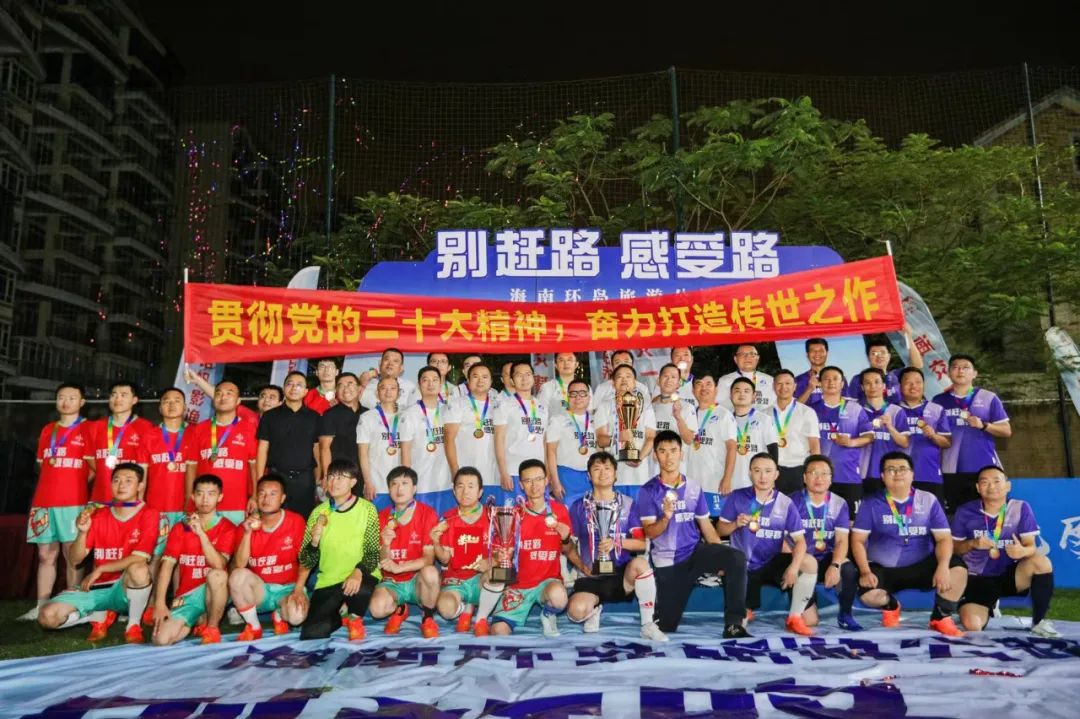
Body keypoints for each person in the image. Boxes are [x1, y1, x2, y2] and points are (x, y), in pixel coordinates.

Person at [637, 430, 750, 637]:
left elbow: (707, 527)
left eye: (673, 451)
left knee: (735, 558)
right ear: (655, 455)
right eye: (663, 451)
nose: (669, 457)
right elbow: (650, 533)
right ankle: (661, 613)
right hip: (668, 562)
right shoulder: (648, 491)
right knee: (666, 626)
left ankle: (734, 624)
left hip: (694, 552)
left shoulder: (694, 487)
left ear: (681, 454)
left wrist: (721, 559)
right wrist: (666, 517)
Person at [37, 463, 159, 644]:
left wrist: (101, 569)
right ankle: (96, 616)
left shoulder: (149, 514)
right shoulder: (98, 515)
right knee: (47, 616)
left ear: (140, 486)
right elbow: (75, 559)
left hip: (124, 588)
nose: (121, 485)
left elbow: (140, 557)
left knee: (138, 569)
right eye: (116, 480)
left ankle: (133, 625)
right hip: (98, 587)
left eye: (128, 480)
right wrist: (82, 532)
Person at [851, 452, 967, 637]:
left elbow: (944, 539)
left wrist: (943, 566)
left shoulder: (928, 500)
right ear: (882, 476)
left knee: (957, 569)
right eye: (891, 469)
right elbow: (858, 540)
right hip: (884, 568)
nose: (897, 473)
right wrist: (865, 571)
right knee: (869, 596)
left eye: (903, 469)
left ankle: (940, 617)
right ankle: (891, 606)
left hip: (921, 564)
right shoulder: (871, 503)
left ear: (912, 474)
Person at [564, 452, 668, 641]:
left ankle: (647, 624)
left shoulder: (628, 505)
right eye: (597, 469)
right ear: (588, 476)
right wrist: (582, 567)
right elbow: (569, 547)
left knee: (641, 565)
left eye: (607, 468)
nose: (602, 473)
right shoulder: (578, 507)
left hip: (621, 575)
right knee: (575, 612)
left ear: (615, 474)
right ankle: (593, 610)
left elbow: (641, 544)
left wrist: (616, 543)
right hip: (590, 575)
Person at [952, 465, 1059, 638]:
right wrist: (972, 543)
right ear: (978, 488)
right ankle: (988, 606)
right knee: (972, 625)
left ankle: (1039, 621)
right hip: (976, 579)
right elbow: (953, 548)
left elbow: (1031, 546)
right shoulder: (965, 511)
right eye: (985, 482)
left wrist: (1022, 551)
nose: (991, 486)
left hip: (1010, 575)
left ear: (1008, 486)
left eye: (997, 481)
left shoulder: (1020, 508)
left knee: (1041, 562)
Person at [717, 453, 817, 636]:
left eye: (768, 471)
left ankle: (794, 618)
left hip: (771, 562)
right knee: (737, 627)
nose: (763, 476)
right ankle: (744, 609)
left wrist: (794, 568)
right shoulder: (737, 497)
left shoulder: (785, 503)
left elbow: (800, 542)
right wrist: (735, 524)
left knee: (809, 564)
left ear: (776, 474)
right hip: (743, 566)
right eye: (757, 471)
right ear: (750, 473)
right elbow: (720, 530)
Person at [22, 382, 91, 621]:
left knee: (73, 556)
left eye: (72, 397)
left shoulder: (89, 429)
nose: (66, 401)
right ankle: (41, 605)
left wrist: (75, 486)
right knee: (45, 555)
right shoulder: (48, 429)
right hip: (43, 502)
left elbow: (93, 469)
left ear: (82, 402)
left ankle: (73, 605)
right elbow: (43, 466)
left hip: (73, 503)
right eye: (61, 397)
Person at [482, 459, 572, 637]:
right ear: (521, 485)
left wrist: (566, 537)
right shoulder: (513, 515)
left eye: (538, 479)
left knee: (559, 597)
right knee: (498, 632)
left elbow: (568, 549)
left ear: (546, 481)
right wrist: (501, 555)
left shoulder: (560, 511)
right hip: (518, 586)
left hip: (547, 582)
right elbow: (499, 552)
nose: (534, 485)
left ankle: (548, 615)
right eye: (528, 481)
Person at [297, 460, 382, 640]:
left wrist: (358, 572)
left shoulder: (368, 509)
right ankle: (340, 616)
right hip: (330, 578)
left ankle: (355, 618)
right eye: (331, 477)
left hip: (360, 573)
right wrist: (314, 543)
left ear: (353, 482)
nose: (334, 482)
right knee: (311, 633)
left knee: (361, 588)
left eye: (341, 477)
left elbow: (373, 553)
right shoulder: (318, 513)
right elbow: (305, 561)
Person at [152, 474, 237, 646]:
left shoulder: (227, 527)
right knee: (160, 639)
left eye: (211, 494)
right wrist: (160, 603)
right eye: (200, 494)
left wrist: (201, 534)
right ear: (192, 496)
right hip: (188, 595)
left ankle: (212, 627)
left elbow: (219, 564)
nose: (205, 499)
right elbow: (167, 565)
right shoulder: (180, 527)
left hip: (214, 590)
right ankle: (198, 619)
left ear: (220, 497)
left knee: (217, 575)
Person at [228, 474, 310, 640]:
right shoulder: (245, 526)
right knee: (237, 576)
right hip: (261, 590)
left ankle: (279, 614)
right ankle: (254, 626)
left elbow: (306, 560)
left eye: (273, 494)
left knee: (296, 616)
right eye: (262, 493)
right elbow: (240, 565)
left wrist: (299, 589)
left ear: (282, 498)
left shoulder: (295, 521)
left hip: (287, 588)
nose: (266, 499)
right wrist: (247, 533)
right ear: (256, 497)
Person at [787, 455, 862, 631]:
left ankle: (845, 615)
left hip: (826, 557)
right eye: (813, 473)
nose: (819, 478)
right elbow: (783, 541)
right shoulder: (791, 502)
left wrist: (835, 565)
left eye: (824, 473)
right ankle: (801, 604)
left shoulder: (839, 503)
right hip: (801, 562)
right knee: (810, 622)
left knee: (847, 568)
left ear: (831, 479)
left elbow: (842, 540)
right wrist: (798, 563)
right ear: (804, 477)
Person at [932, 354, 1011, 514]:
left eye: (965, 367)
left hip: (984, 469)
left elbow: (1006, 430)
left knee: (989, 515)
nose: (960, 371)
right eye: (955, 367)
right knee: (955, 516)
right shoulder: (938, 401)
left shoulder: (988, 398)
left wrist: (984, 425)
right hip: (950, 469)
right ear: (948, 373)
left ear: (974, 373)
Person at [369, 467, 441, 638]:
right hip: (392, 582)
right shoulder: (381, 517)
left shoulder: (427, 514)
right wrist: (386, 545)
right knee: (376, 610)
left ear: (414, 488)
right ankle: (400, 608)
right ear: (389, 489)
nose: (399, 488)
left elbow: (428, 559)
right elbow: (382, 561)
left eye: (404, 483)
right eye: (394, 484)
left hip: (417, 579)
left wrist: (400, 567)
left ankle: (427, 617)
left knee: (431, 573)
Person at [182, 380, 259, 525]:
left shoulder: (249, 429)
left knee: (235, 539)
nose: (223, 397)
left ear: (238, 401)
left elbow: (253, 467)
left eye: (229, 393)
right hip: (205, 504)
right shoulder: (199, 429)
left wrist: (254, 496)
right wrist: (189, 498)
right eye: (219, 393)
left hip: (236, 505)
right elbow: (191, 466)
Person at [431, 466, 491, 633]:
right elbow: (444, 559)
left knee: (498, 575)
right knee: (445, 609)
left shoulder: (493, 516)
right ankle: (466, 608)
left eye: (471, 486)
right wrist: (435, 542)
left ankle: (481, 618)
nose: (465, 492)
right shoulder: (447, 519)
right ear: (454, 490)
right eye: (460, 486)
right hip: (455, 580)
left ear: (480, 492)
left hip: (481, 579)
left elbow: (505, 554)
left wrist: (490, 562)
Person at [257, 370, 321, 519]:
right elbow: (262, 449)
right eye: (290, 384)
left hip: (304, 480)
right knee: (273, 520)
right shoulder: (270, 416)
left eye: (299, 385)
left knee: (303, 521)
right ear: (284, 388)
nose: (294, 388)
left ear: (305, 391)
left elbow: (316, 448)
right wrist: (260, 480)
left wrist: (318, 478)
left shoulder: (314, 417)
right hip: (276, 478)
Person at [810, 366, 873, 516]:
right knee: (821, 521)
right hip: (818, 478)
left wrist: (851, 442)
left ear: (842, 384)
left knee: (851, 522)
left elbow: (870, 436)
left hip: (849, 476)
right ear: (820, 383)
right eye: (826, 379)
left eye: (835, 379)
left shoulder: (855, 409)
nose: (831, 382)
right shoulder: (811, 410)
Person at [84, 381, 153, 505]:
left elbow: (145, 467)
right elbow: (91, 460)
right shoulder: (95, 427)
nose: (117, 399)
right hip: (100, 498)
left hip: (130, 501)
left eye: (123, 395)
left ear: (134, 400)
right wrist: (106, 469)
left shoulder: (145, 428)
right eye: (114, 394)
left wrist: (139, 500)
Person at [596, 364, 656, 500]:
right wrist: (617, 438)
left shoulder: (645, 405)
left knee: (639, 512)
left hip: (640, 476)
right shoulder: (605, 405)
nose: (624, 380)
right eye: (619, 377)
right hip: (614, 475)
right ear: (613, 383)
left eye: (628, 376)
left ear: (635, 382)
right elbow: (600, 439)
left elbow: (651, 437)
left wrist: (639, 457)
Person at [493, 361, 550, 501]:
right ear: (512, 380)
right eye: (519, 375)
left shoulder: (542, 406)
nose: (524, 379)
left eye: (528, 374)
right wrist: (503, 472)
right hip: (513, 471)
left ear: (533, 378)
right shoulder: (504, 405)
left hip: (538, 471)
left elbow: (544, 441)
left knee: (538, 512)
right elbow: (498, 440)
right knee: (514, 513)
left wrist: (547, 470)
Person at [400, 366, 453, 513]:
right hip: (421, 484)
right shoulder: (409, 414)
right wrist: (408, 483)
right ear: (419, 384)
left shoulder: (449, 411)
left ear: (440, 384)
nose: (430, 384)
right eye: (426, 380)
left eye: (435, 380)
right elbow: (405, 452)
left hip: (446, 482)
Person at [686, 372, 737, 515]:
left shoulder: (724, 415)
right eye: (699, 384)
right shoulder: (688, 414)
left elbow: (732, 448)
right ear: (693, 390)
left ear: (716, 389)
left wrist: (727, 478)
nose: (703, 388)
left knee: (714, 523)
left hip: (715, 483)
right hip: (691, 484)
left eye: (708, 384)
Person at [897, 367, 951, 502]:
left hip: (929, 475)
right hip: (897, 476)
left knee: (931, 514)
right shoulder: (892, 410)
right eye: (908, 382)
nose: (913, 386)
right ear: (900, 386)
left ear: (924, 385)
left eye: (918, 382)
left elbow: (947, 443)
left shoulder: (936, 409)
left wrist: (933, 435)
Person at [545, 378, 601, 505]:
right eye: (573, 394)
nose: (578, 397)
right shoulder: (558, 420)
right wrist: (555, 481)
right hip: (566, 476)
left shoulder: (597, 420)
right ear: (567, 397)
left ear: (589, 397)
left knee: (590, 514)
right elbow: (551, 452)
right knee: (568, 514)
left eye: (582, 393)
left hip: (591, 476)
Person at [445, 363, 499, 489]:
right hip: (466, 472)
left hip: (494, 473)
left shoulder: (498, 405)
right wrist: (454, 469)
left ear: (491, 382)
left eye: (485, 377)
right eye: (475, 376)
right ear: (468, 381)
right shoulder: (457, 404)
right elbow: (448, 439)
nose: (480, 380)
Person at [858, 368, 910, 496]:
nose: (872, 386)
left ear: (884, 386)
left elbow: (905, 443)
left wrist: (890, 427)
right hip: (859, 472)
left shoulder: (896, 411)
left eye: (877, 382)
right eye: (867, 383)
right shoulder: (856, 410)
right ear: (862, 387)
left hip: (887, 472)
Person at [771, 370, 821, 496]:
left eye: (788, 383)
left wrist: (815, 472)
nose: (783, 387)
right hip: (772, 471)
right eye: (779, 383)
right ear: (773, 386)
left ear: (794, 386)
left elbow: (814, 445)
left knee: (799, 507)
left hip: (799, 470)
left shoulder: (807, 412)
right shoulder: (765, 414)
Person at [357, 376, 403, 509]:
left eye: (393, 388)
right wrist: (368, 482)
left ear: (399, 393)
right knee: (378, 521)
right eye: (383, 388)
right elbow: (363, 453)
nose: (388, 392)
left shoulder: (406, 416)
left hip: (402, 484)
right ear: (377, 393)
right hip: (377, 485)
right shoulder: (367, 417)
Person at [727, 378, 779, 492]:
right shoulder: (725, 420)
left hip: (757, 483)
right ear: (730, 395)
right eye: (737, 390)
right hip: (730, 483)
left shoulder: (764, 419)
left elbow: (773, 450)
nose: (741, 394)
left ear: (754, 396)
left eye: (746, 391)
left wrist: (772, 479)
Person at [649, 363, 698, 479]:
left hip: (677, 470)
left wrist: (678, 417)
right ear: (658, 380)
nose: (669, 380)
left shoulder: (686, 407)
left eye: (673, 377)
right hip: (653, 469)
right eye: (665, 376)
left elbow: (689, 439)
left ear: (678, 383)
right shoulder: (650, 407)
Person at [849, 328, 923, 405]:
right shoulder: (858, 379)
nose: (879, 356)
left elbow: (917, 365)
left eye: (883, 352)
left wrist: (908, 337)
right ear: (868, 357)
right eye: (874, 353)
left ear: (889, 356)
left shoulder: (897, 375)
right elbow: (850, 406)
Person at [317, 372, 364, 483]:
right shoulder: (330, 414)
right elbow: (324, 448)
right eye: (340, 385)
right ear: (336, 391)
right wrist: (327, 476)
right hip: (339, 475)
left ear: (359, 389)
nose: (345, 388)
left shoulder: (368, 413)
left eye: (350, 384)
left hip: (365, 474)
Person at [718, 344, 776, 413]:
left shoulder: (770, 380)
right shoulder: (724, 381)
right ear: (735, 359)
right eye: (742, 354)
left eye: (752, 354)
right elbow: (719, 407)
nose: (747, 357)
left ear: (757, 358)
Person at [795, 338, 846, 404]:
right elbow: (794, 408)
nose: (817, 353)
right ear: (807, 355)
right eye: (813, 351)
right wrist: (809, 389)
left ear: (827, 353)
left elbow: (846, 404)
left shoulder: (839, 377)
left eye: (821, 351)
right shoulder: (798, 380)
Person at [537, 351, 583, 418]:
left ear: (576, 364)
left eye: (570, 360)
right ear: (556, 365)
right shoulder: (547, 387)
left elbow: (590, 414)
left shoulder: (585, 388)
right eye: (561, 360)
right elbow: (540, 415)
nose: (566, 363)